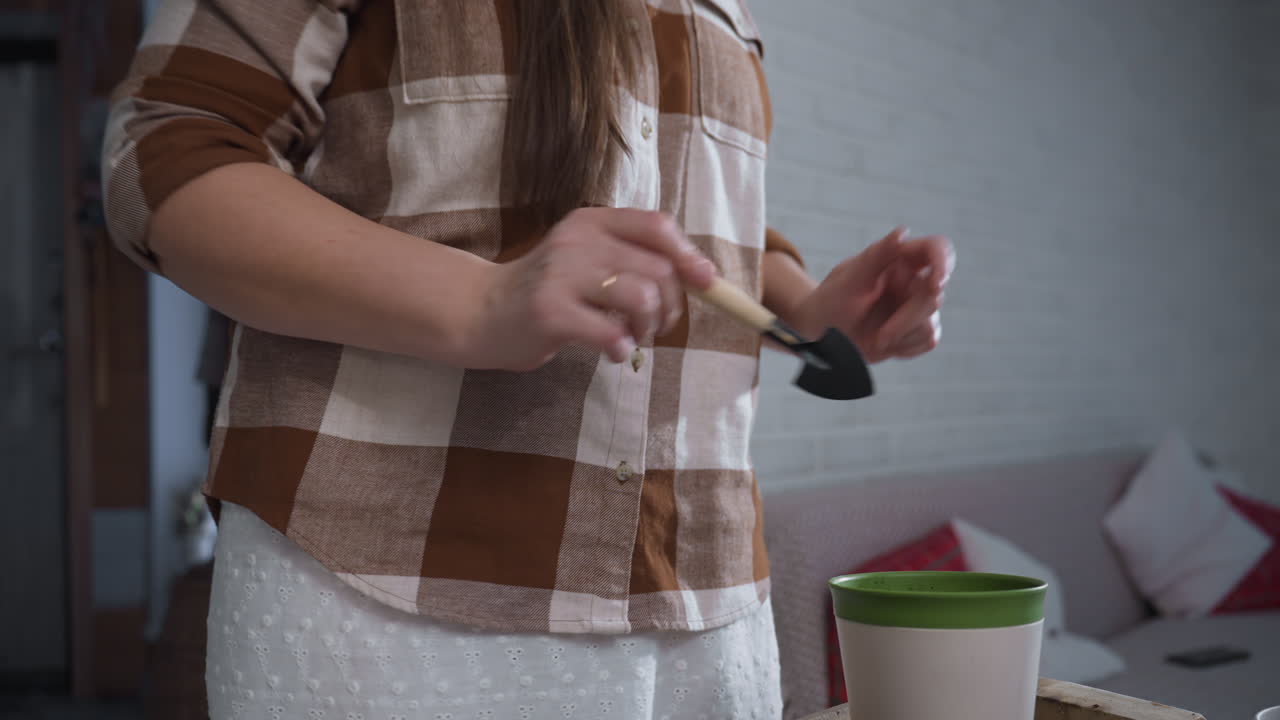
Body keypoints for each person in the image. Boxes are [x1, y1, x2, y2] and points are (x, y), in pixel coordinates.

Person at [102, 1, 953, 718]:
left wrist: (805, 310)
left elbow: (685, 218)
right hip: (382, 601)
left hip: (704, 601)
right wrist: (479, 303)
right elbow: (171, 147)